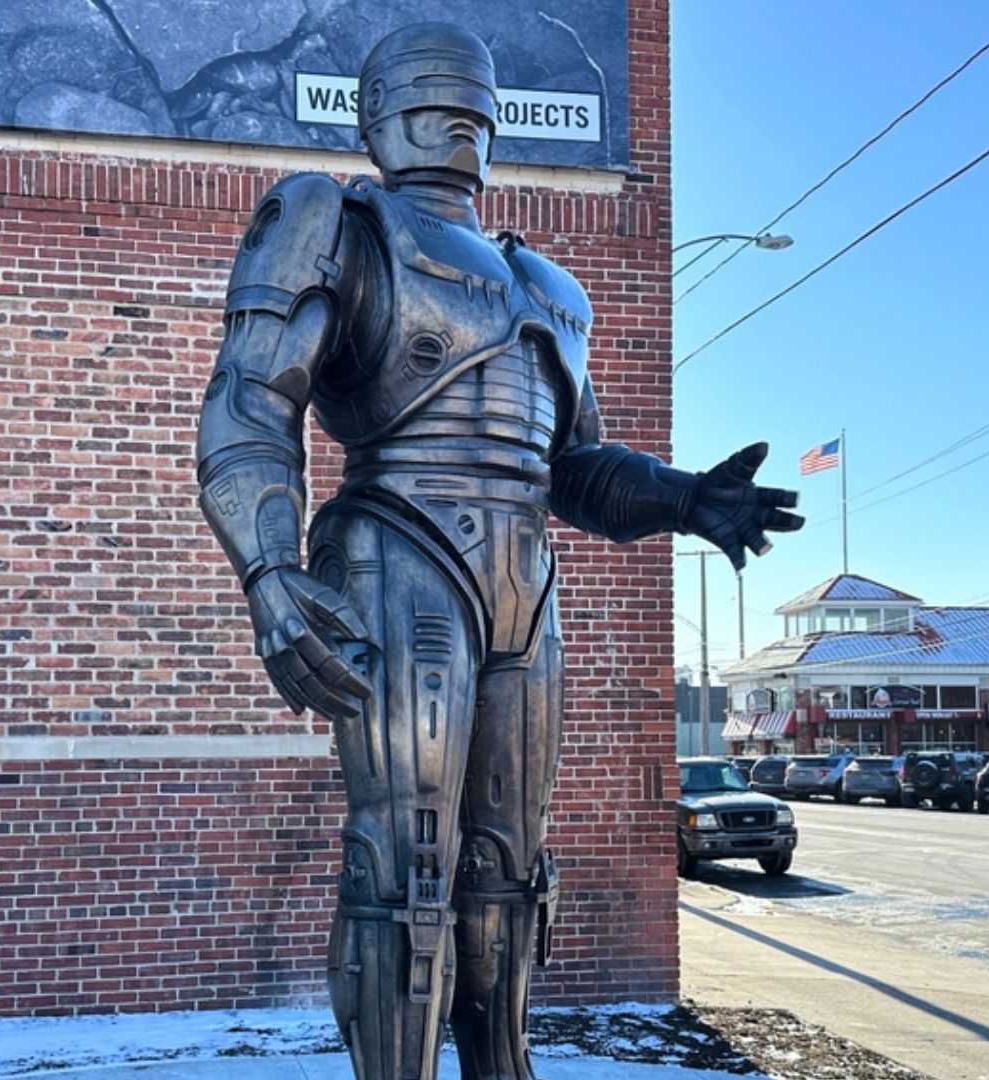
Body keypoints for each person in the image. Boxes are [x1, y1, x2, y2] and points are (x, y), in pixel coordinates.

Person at [194, 23, 802, 1080]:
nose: (455, 123)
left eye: (469, 106)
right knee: (406, 857)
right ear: (380, 115)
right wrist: (268, 569)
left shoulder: (550, 285)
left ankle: (501, 1064)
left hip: (524, 581)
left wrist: (682, 497)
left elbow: (573, 466)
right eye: (435, 104)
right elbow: (250, 401)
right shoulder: (332, 218)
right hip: (398, 546)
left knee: (509, 867)